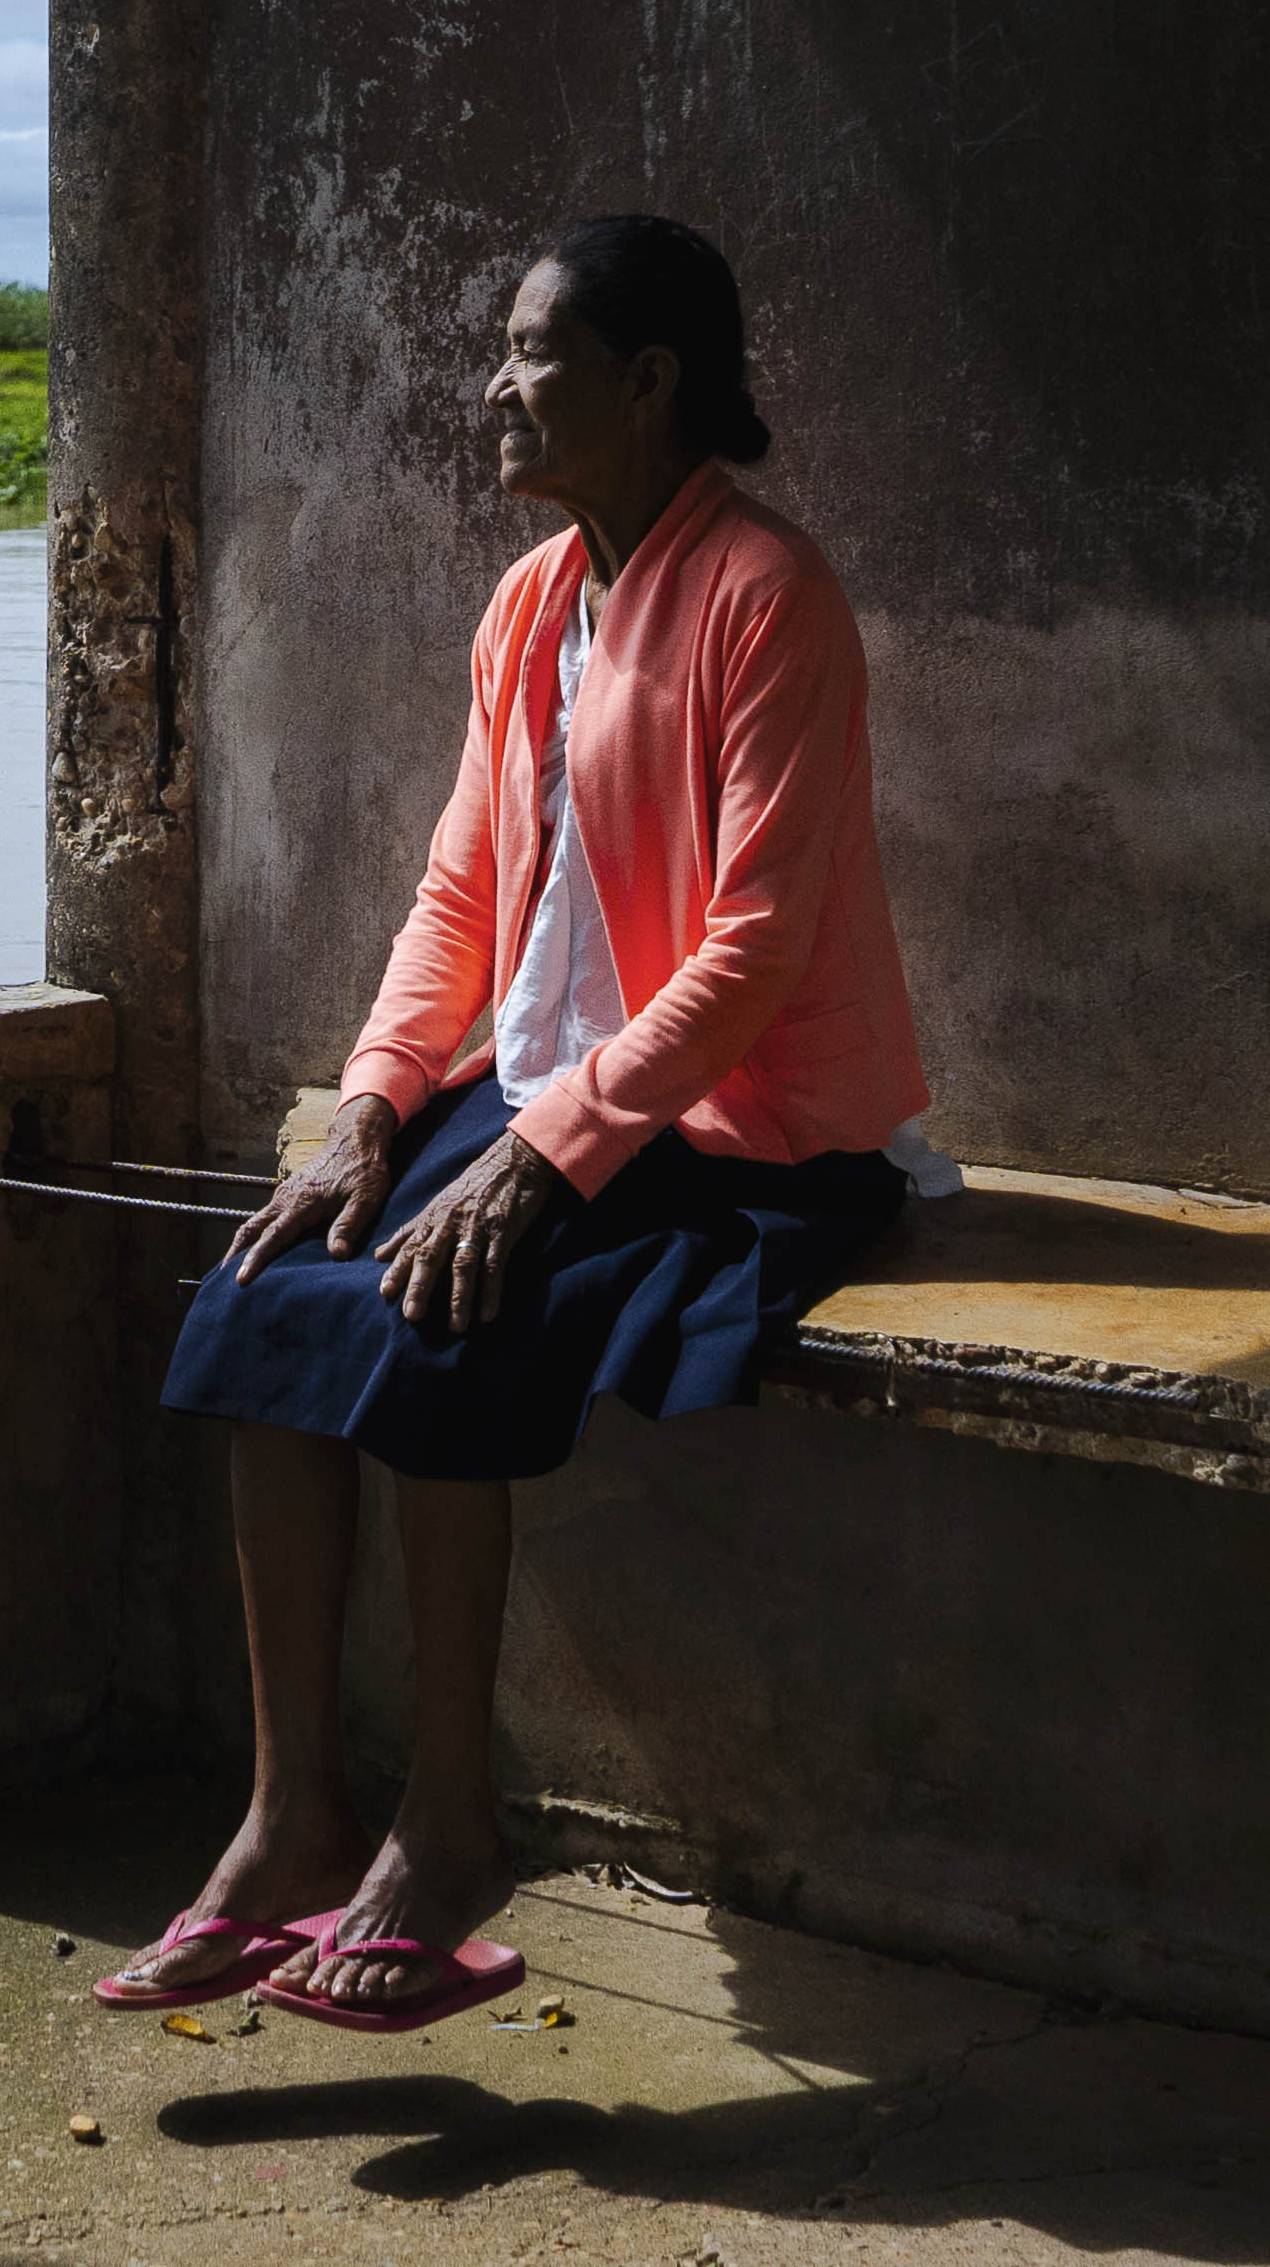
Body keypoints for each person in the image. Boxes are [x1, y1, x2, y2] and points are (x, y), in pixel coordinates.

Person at [114, 213, 947, 2033]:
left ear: (649, 384)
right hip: (538, 1089)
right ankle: (289, 1818)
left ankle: (448, 1827)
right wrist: (369, 1110)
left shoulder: (767, 596)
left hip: (735, 1130)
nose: (494, 387)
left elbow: (756, 942)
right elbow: (459, 897)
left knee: (441, 1308)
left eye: (532, 354)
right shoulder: (527, 601)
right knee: (265, 1304)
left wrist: (535, 1152)